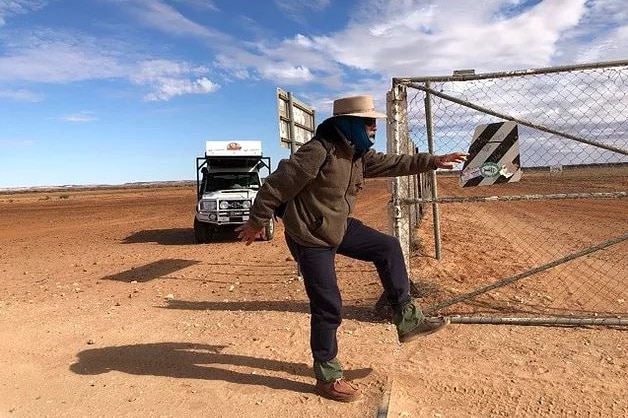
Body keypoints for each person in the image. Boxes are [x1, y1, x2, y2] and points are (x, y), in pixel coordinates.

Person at [235, 95, 468, 402]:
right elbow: (275, 186)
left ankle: (408, 319)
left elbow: (395, 162)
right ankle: (327, 375)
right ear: (348, 125)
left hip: (338, 227)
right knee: (328, 304)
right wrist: (256, 222)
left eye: (374, 123)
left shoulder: (357, 155)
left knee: (387, 247)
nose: (374, 128)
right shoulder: (317, 151)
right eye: (368, 122)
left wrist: (433, 161)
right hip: (310, 236)